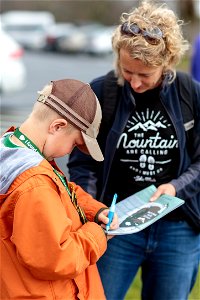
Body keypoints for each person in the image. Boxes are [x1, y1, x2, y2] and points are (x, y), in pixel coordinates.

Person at [68, 1, 200, 300]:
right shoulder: (103, 92)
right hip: (116, 228)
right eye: (128, 71)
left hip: (176, 229)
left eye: (146, 75)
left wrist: (176, 188)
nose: (136, 83)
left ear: (167, 63)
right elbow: (82, 163)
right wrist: (94, 211)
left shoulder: (189, 93)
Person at [0, 78, 118, 299]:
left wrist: (95, 210)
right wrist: (98, 234)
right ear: (57, 126)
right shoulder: (35, 185)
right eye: (74, 143)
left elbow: (60, 189)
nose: (70, 151)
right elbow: (57, 258)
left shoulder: (14, 148)